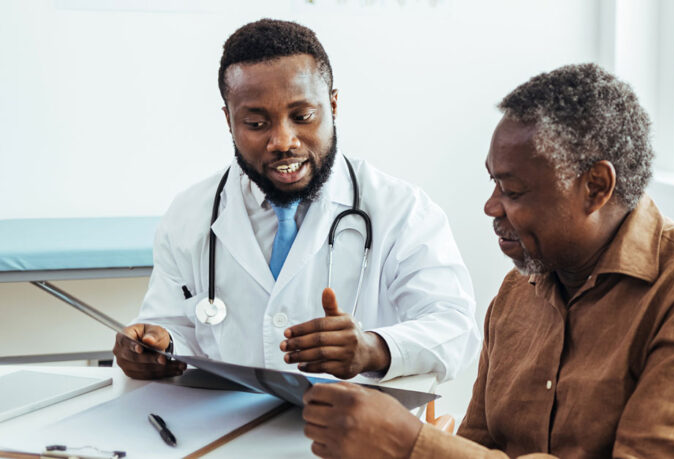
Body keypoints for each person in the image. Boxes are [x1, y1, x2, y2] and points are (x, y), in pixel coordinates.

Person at [300, 63, 674, 458]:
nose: (491, 207)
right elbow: (480, 444)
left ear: (596, 187)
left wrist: (414, 446)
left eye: (512, 190)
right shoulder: (519, 294)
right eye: (493, 184)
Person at [112, 19, 479, 384]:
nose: (283, 141)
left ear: (333, 105)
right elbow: (173, 326)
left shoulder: (403, 211)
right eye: (256, 124)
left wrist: (373, 349)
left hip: (358, 432)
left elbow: (455, 329)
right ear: (229, 120)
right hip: (229, 429)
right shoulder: (189, 215)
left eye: (302, 117)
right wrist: (155, 346)